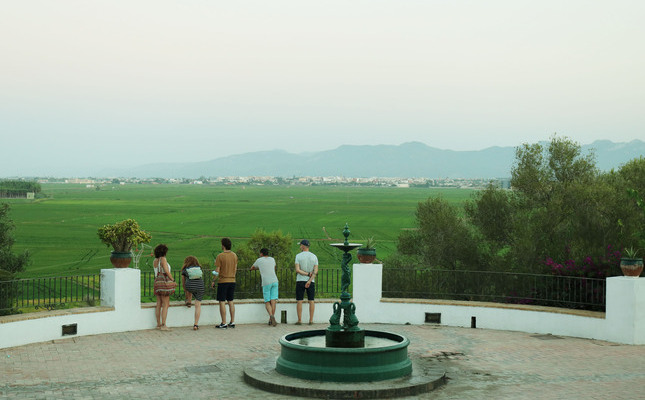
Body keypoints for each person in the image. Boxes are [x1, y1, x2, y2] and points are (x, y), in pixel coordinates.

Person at [212, 237, 238, 329]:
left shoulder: (220, 256)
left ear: (223, 245)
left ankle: (224, 322)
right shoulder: (234, 255)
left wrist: (213, 280)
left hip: (223, 281)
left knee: (222, 301)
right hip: (232, 280)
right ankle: (232, 321)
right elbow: (235, 268)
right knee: (230, 301)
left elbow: (217, 270)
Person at [249, 248, 279, 327]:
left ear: (261, 253)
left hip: (266, 282)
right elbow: (274, 268)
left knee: (267, 301)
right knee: (273, 300)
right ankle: (271, 320)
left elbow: (252, 267)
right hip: (275, 280)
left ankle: (271, 316)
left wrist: (258, 268)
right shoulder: (272, 259)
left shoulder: (259, 260)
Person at [294, 239, 318, 325]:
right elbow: (315, 271)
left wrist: (306, 274)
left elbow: (297, 270)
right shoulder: (314, 256)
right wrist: (310, 280)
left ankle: (299, 320)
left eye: (300, 245)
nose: (300, 247)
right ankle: (311, 320)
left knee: (299, 300)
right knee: (311, 300)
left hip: (300, 280)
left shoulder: (298, 256)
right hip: (311, 281)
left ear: (303, 246)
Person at [153, 244, 175, 331]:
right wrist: (172, 280)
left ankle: (158, 324)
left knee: (158, 304)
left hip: (157, 283)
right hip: (164, 284)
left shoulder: (155, 260)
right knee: (165, 304)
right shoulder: (163, 259)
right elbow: (166, 271)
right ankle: (164, 325)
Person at [181, 255, 205, 330]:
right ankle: (196, 324)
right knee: (198, 305)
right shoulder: (199, 268)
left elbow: (183, 282)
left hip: (190, 286)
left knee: (189, 288)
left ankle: (188, 301)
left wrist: (185, 290)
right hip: (200, 286)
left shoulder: (185, 269)